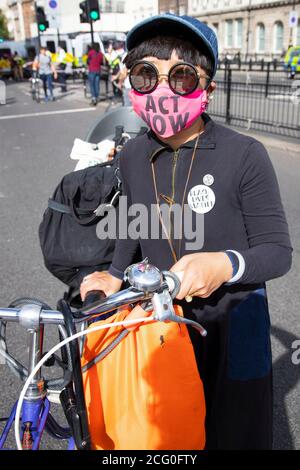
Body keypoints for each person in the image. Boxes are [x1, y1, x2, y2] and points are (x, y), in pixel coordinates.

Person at [80, 13, 292, 450]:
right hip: (160, 324)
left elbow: (278, 251)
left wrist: (226, 263)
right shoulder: (134, 153)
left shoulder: (246, 155)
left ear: (208, 90)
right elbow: (133, 226)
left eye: (180, 77)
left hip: (236, 320)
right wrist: (114, 274)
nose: (161, 90)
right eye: (145, 75)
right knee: (168, 436)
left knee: (234, 433)